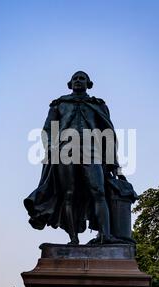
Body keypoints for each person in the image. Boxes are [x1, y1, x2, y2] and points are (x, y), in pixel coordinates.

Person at [24, 71, 122, 245]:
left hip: (91, 151)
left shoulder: (98, 105)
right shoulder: (59, 104)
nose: (78, 80)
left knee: (98, 192)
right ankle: (73, 239)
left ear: (88, 83)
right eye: (75, 78)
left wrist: (113, 161)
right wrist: (51, 149)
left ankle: (105, 235)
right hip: (65, 151)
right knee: (68, 194)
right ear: (70, 84)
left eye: (82, 78)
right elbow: (48, 130)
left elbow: (109, 133)